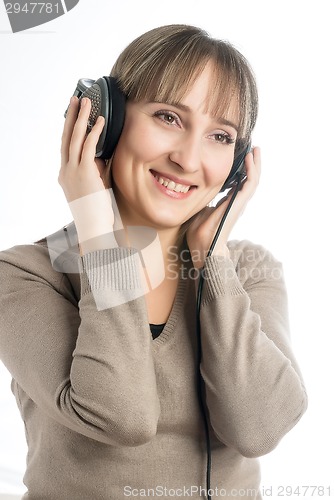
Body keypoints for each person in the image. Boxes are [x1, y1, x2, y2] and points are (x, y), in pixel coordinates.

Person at [0, 24, 307, 500]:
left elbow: (260, 428)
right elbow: (121, 415)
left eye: (220, 136)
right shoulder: (26, 274)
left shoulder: (246, 270)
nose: (188, 159)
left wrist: (213, 264)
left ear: (239, 162)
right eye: (168, 117)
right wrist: (99, 231)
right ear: (105, 122)